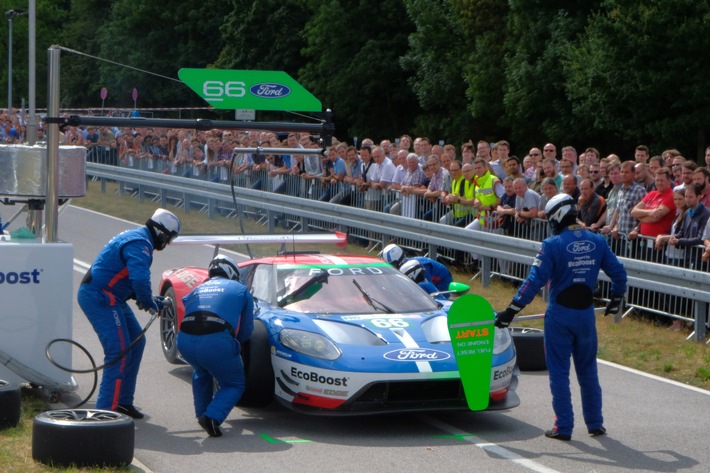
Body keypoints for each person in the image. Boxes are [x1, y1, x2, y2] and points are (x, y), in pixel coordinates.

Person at [494, 194, 627, 441]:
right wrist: (616, 298)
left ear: (555, 216)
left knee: (559, 373)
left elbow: (534, 281)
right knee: (588, 371)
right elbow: (619, 273)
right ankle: (595, 423)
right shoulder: (598, 240)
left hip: (560, 317)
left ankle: (563, 427)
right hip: (586, 316)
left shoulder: (552, 244)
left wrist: (512, 309)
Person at [78, 208, 181, 418]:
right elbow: (140, 280)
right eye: (168, 238)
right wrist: (148, 302)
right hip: (101, 297)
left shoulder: (139, 238)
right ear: (161, 232)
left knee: (137, 342)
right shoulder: (140, 244)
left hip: (112, 296)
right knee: (119, 352)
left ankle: (123, 402)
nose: (167, 243)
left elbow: (124, 278)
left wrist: (148, 299)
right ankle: (105, 413)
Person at [177, 255, 254, 438]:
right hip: (215, 340)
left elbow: (186, 302)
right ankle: (212, 417)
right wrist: (236, 346)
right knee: (234, 383)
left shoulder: (197, 288)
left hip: (184, 340)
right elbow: (246, 330)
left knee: (201, 371)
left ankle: (202, 414)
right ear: (232, 273)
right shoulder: (241, 289)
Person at [378, 243, 453, 296]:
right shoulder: (406, 265)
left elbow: (428, 289)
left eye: (391, 265)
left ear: (396, 262)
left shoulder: (419, 266)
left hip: (442, 281)